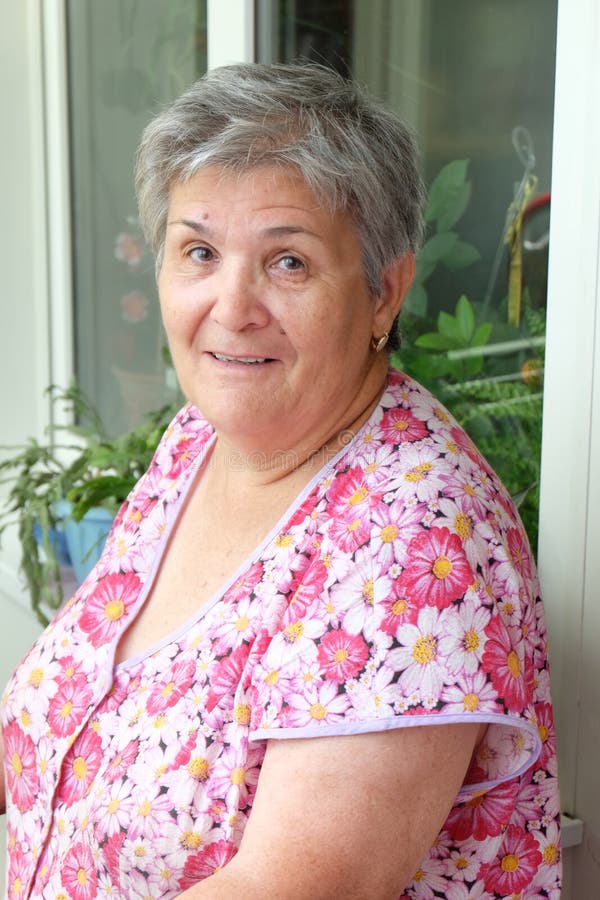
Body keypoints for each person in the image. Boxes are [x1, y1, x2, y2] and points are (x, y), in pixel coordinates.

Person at [0, 62, 561, 899]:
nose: (233, 307)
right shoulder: (202, 440)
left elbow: (298, 886)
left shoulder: (415, 537)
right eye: (199, 251)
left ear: (385, 292)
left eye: (288, 262)